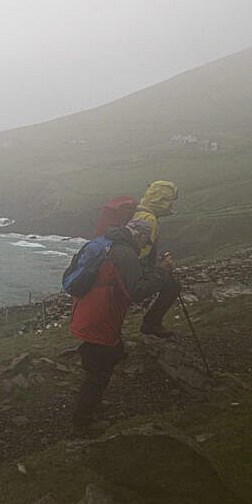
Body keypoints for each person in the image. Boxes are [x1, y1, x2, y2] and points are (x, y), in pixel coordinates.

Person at [69, 220, 174, 429]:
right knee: (98, 371)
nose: (146, 246)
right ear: (139, 235)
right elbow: (136, 292)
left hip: (87, 309)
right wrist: (162, 272)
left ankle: (92, 405)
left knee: (113, 353)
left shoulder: (106, 242)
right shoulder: (126, 254)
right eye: (146, 240)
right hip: (102, 316)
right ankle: (82, 423)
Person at [133, 180, 181, 337]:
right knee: (172, 285)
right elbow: (140, 254)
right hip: (134, 276)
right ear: (163, 201)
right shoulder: (149, 219)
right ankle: (151, 324)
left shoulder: (137, 211)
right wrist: (161, 268)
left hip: (122, 269)